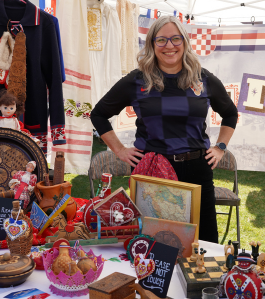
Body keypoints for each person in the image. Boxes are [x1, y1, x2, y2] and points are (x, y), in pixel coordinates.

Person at [90, 16, 238, 243]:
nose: (169, 46)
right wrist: (119, 150)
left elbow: (230, 113)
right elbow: (98, 114)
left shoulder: (203, 78)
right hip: (153, 171)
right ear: (151, 45)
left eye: (175, 39)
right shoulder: (137, 80)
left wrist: (220, 147)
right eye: (161, 40)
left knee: (204, 241)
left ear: (185, 42)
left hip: (197, 170)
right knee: (152, 242)